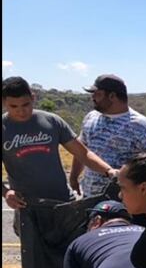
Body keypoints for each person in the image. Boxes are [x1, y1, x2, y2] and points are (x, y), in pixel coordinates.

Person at [3, 76, 118, 218]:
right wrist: (6, 192)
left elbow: (83, 153)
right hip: (27, 208)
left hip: (63, 202)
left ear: (33, 97)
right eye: (13, 106)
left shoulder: (52, 121)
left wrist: (108, 170)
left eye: (26, 104)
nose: (21, 111)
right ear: (3, 102)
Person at [69, 74, 146, 198]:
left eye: (97, 94)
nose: (93, 98)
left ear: (112, 96)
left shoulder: (140, 125)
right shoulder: (91, 117)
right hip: (88, 196)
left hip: (122, 201)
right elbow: (81, 150)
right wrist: (74, 177)